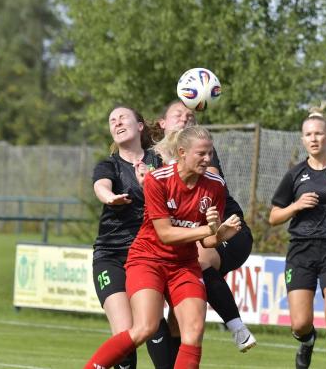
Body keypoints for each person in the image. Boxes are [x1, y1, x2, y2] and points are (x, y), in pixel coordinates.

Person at [84, 126, 242, 369]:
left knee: (194, 330)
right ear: (181, 152)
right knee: (145, 328)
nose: (208, 159)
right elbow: (166, 234)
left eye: (210, 153)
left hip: (184, 265)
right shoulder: (158, 180)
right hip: (148, 260)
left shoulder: (215, 185)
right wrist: (208, 230)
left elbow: (207, 242)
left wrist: (221, 234)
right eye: (201, 154)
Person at [150, 100, 257, 361]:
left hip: (226, 229)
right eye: (178, 114)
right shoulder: (150, 160)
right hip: (183, 241)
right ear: (161, 123)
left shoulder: (200, 153)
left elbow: (206, 181)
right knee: (177, 319)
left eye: (190, 115)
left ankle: (237, 327)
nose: (186, 118)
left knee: (199, 262)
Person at [269, 109, 326, 369]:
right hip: (301, 251)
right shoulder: (295, 175)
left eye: (318, 133)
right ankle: (306, 342)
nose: (314, 138)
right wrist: (296, 206)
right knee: (300, 323)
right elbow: (274, 216)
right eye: (308, 134)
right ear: (303, 139)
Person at [91, 105, 160, 369]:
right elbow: (101, 186)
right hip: (111, 256)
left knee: (156, 333)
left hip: (148, 257)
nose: (117, 122)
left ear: (140, 126)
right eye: (112, 120)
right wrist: (110, 198)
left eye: (123, 118)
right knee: (125, 338)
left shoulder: (159, 162)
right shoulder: (109, 165)